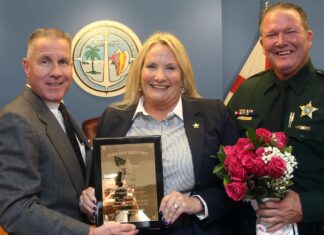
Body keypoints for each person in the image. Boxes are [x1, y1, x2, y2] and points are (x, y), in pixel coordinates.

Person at [80, 32, 241, 235]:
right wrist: (91, 199)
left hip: (194, 229)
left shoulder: (213, 114)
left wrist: (196, 202)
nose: (159, 76)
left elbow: (238, 184)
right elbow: (98, 184)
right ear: (139, 74)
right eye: (151, 66)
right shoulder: (113, 117)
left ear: (183, 77)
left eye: (170, 68)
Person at [0, 28, 138, 235]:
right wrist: (89, 233)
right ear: (27, 67)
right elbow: (17, 211)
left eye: (63, 62)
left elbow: (76, 181)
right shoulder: (17, 119)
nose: (56, 72)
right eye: (45, 61)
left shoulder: (59, 110)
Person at [227, 3, 324, 235]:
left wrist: (308, 206)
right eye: (271, 35)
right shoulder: (246, 92)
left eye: (290, 32)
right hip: (247, 227)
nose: (281, 42)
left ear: (308, 37)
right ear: (262, 44)